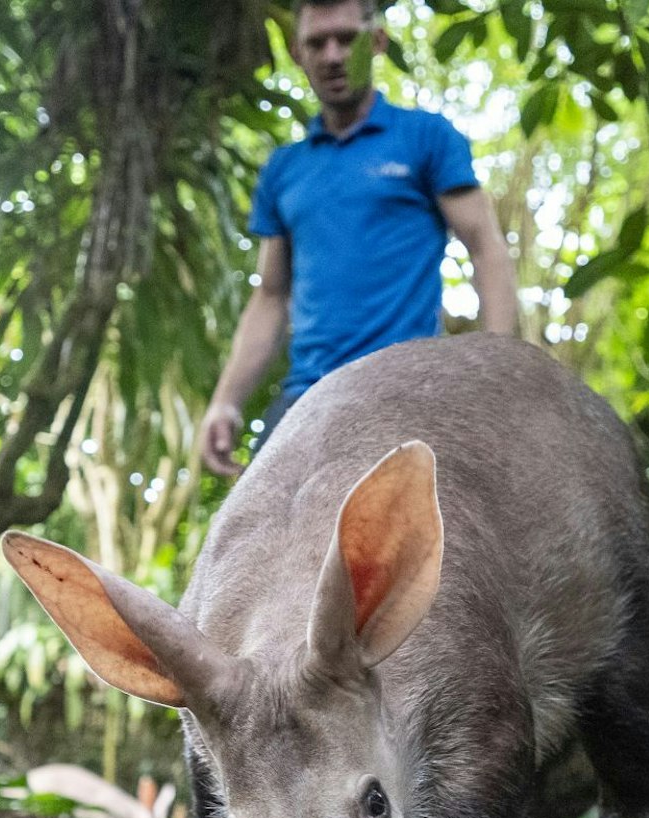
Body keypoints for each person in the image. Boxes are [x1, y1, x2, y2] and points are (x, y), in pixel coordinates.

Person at [197, 0, 517, 477]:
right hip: (304, 402)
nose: (332, 55)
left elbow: (486, 247)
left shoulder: (426, 138)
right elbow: (270, 294)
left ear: (378, 42)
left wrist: (498, 370)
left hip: (407, 393)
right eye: (316, 43)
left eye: (347, 39)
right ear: (297, 54)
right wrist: (225, 403)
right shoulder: (285, 169)